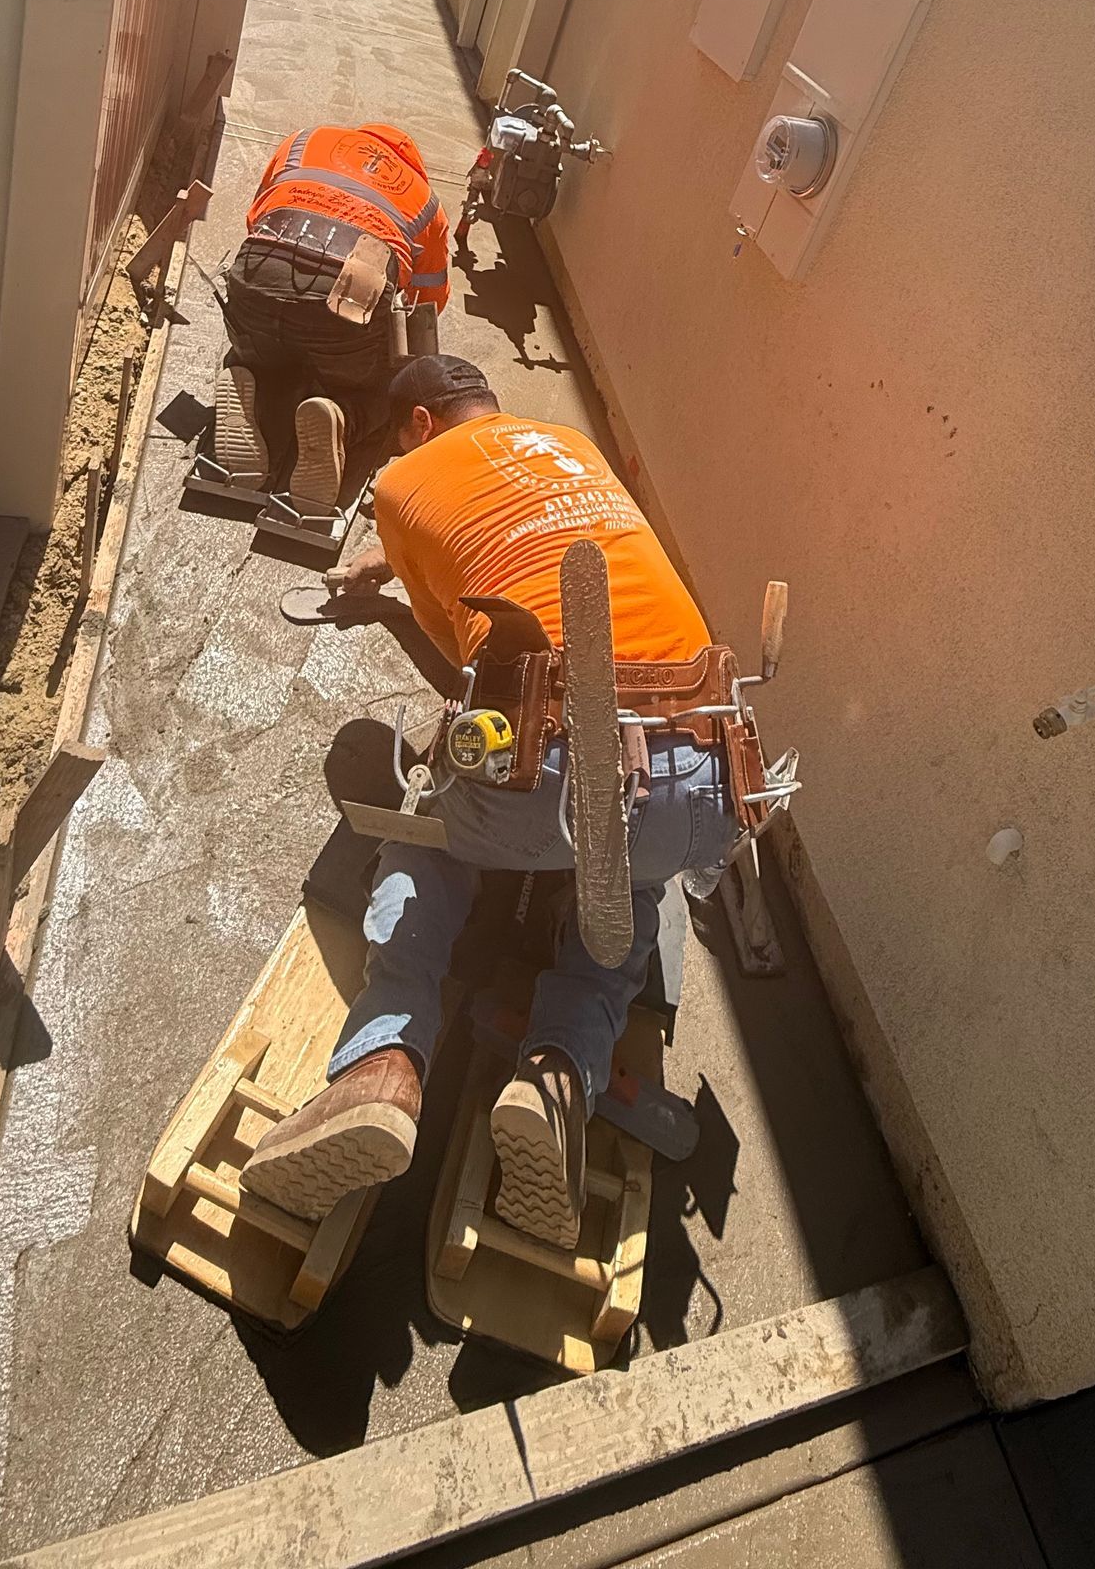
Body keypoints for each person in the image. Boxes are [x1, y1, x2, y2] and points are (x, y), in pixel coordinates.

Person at [241, 355, 735, 1247]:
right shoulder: (568, 443)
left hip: (543, 772)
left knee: (432, 833)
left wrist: (384, 571)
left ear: (420, 426)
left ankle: (383, 1066)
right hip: (707, 777)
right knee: (625, 882)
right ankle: (557, 1079)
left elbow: (463, 667)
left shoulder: (401, 479)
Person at [212, 123, 448, 512]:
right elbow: (428, 301)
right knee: (379, 386)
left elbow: (258, 216)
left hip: (258, 279)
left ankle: (248, 387)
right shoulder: (425, 203)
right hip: (342, 316)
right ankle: (341, 417)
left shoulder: (305, 141)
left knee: (265, 352)